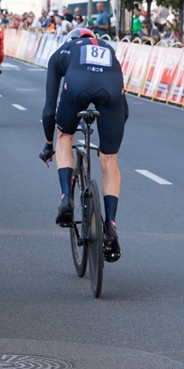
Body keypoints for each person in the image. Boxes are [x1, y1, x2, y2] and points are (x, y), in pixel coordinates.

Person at [40, 28, 127, 262]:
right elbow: (124, 111)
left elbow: (49, 109)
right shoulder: (109, 49)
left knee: (64, 137)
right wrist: (110, 142)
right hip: (111, 88)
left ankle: (66, 198)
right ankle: (110, 225)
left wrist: (48, 144)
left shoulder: (63, 50)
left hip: (77, 84)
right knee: (110, 160)